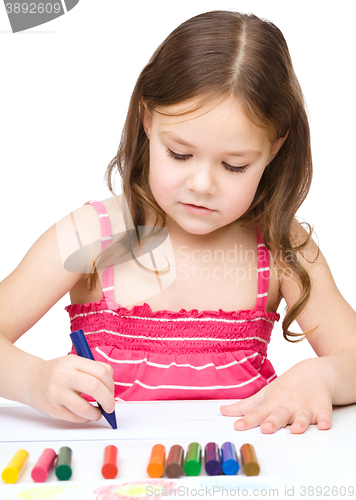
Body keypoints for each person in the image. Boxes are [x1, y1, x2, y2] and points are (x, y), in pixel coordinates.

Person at [1, 10, 356, 435]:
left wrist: (323, 375)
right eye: (181, 155)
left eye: (234, 165)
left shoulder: (280, 245)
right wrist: (33, 380)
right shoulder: (92, 233)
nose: (202, 184)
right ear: (148, 120)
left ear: (274, 149)